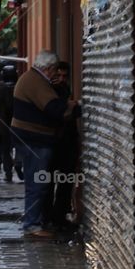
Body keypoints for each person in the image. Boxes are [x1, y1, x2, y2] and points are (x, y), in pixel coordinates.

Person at [11, 50, 75, 238]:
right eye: (55, 70)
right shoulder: (35, 82)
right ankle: (32, 224)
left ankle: (34, 222)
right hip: (35, 140)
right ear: (48, 68)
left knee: (37, 182)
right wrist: (73, 105)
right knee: (37, 184)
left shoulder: (33, 79)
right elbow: (55, 109)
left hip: (33, 139)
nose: (57, 74)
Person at [48, 61, 82, 230]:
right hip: (54, 143)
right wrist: (71, 106)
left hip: (67, 143)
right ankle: (53, 216)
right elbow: (62, 114)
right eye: (58, 75)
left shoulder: (64, 90)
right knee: (50, 181)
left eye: (65, 76)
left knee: (65, 182)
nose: (61, 79)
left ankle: (58, 216)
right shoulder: (49, 92)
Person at [0, 64, 24, 182]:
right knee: (19, 146)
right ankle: (18, 163)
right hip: (19, 122)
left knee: (5, 149)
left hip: (3, 123)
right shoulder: (20, 88)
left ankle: (8, 171)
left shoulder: (0, 88)